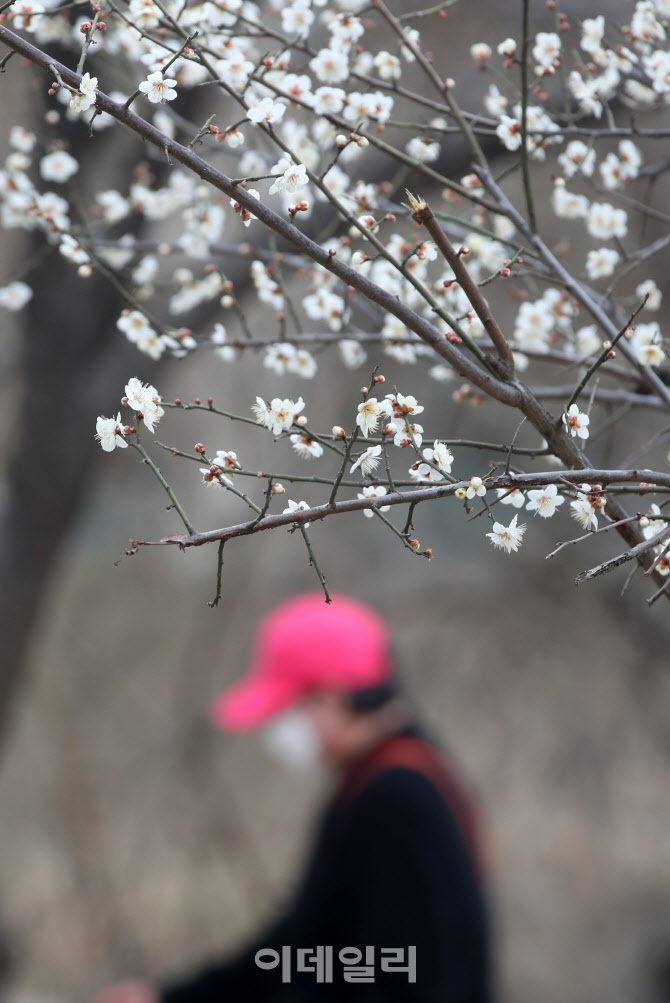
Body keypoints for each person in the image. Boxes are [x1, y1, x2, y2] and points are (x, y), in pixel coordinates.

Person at [94, 592, 493, 1003]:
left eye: (287, 706)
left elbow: (394, 966)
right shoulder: (390, 779)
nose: (282, 726)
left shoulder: (395, 798)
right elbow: (308, 946)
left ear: (332, 695)